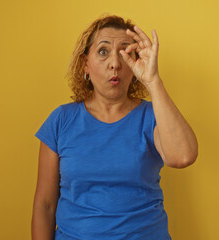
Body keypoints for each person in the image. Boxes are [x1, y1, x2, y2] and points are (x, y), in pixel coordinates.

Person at [31, 14, 198, 240]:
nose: (115, 63)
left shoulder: (153, 116)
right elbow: (45, 205)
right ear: (85, 65)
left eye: (125, 52)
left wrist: (153, 81)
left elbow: (183, 156)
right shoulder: (61, 120)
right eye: (103, 51)